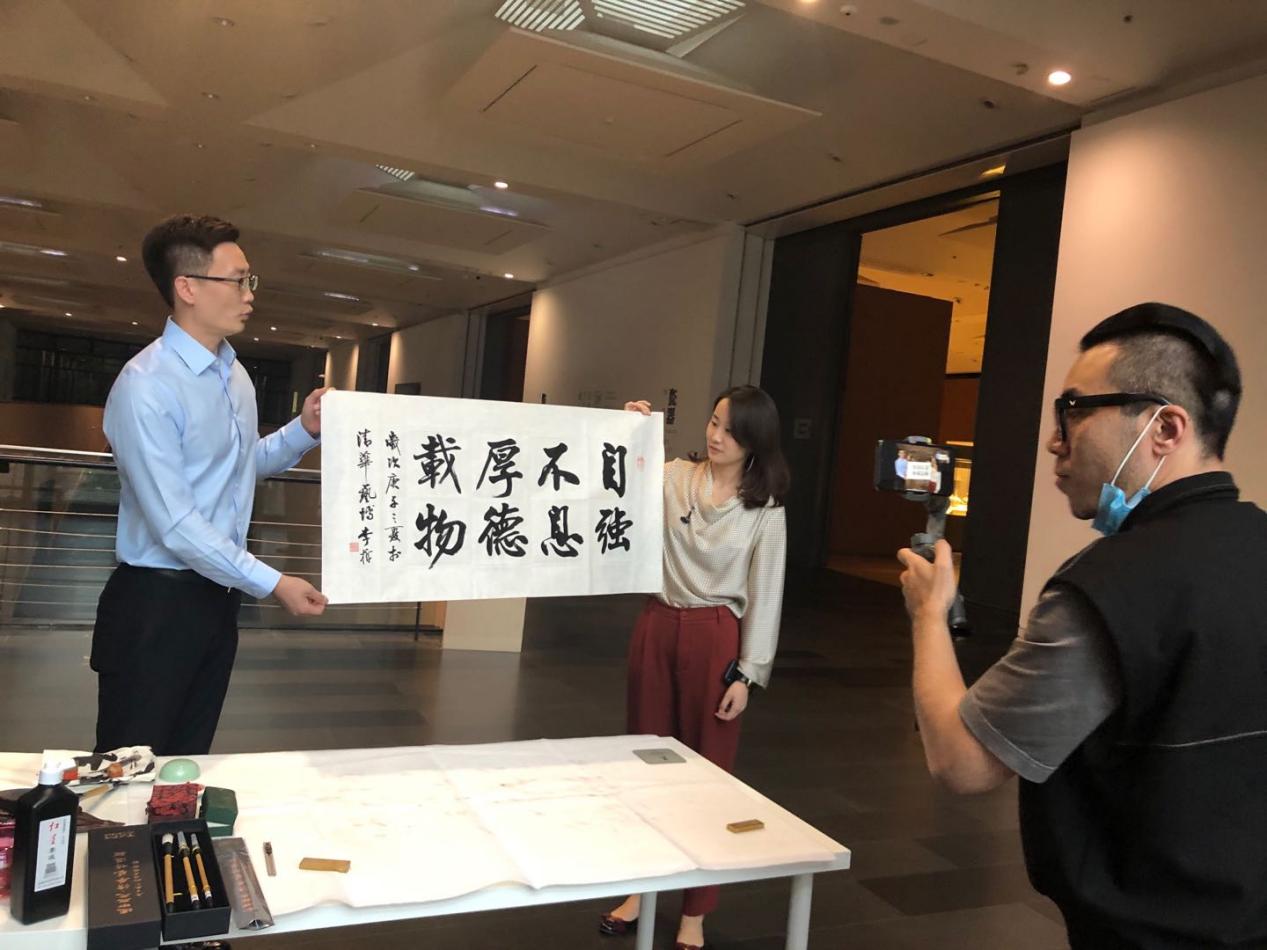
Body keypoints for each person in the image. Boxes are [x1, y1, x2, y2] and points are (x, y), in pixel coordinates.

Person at [897, 302, 1267, 948]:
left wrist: (929, 615)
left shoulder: (1106, 589)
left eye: (1073, 410)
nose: (1054, 440)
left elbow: (962, 762)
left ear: (1164, 428)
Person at [92, 214, 329, 757]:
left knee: (188, 760)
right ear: (187, 287)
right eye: (238, 280)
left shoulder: (234, 374)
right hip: (155, 604)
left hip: (216, 598)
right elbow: (175, 524)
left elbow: (239, 466)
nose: (249, 295)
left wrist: (305, 430)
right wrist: (272, 582)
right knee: (132, 764)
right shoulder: (146, 386)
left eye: (249, 280)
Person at [600, 385, 790, 950]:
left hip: (716, 638)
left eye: (730, 430)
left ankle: (695, 912)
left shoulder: (764, 510)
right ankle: (639, 889)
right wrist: (627, 431)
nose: (715, 436)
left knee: (709, 775)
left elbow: (767, 593)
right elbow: (619, 481)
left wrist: (748, 673)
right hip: (657, 622)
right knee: (643, 763)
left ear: (754, 441)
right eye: (713, 422)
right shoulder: (675, 476)